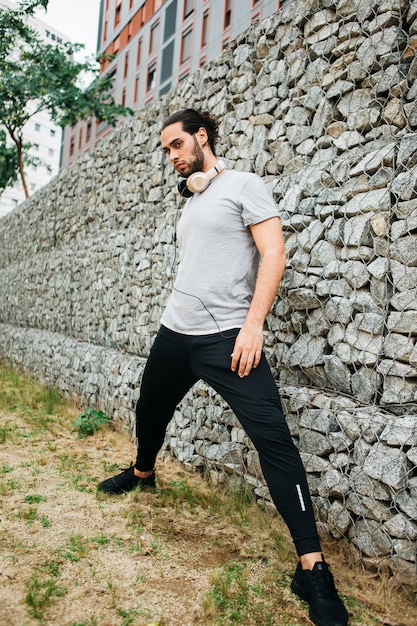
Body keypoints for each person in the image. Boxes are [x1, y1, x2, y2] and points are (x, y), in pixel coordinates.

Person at [98, 109, 349, 626]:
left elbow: (274, 254)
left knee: (274, 440)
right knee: (151, 408)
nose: (171, 156)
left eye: (176, 145)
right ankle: (144, 472)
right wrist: (195, 184)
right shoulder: (194, 196)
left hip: (227, 339)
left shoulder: (244, 185)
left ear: (202, 136)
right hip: (175, 331)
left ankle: (312, 568)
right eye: (165, 149)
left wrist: (253, 325)